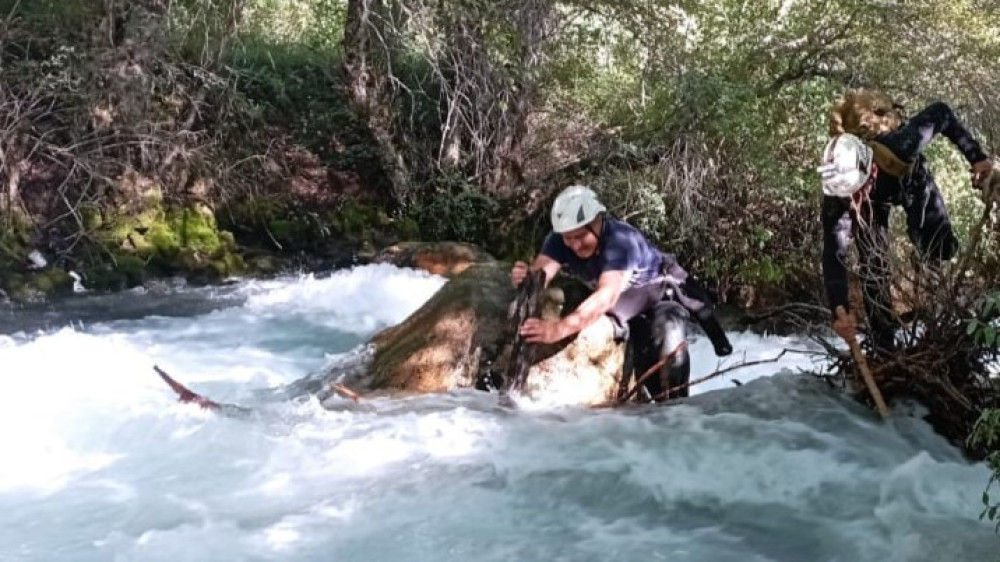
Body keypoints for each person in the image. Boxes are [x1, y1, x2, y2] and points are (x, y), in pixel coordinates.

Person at [510, 185, 733, 400]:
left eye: (580, 237)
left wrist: (558, 330)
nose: (575, 245)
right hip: (628, 307)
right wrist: (526, 277)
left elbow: (606, 296)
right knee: (644, 364)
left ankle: (677, 411)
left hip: (658, 298)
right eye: (569, 238)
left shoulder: (620, 242)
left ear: (597, 222)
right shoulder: (558, 240)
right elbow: (541, 273)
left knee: (669, 334)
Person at [819, 90, 995, 352]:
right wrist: (839, 311)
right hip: (875, 203)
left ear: (870, 170)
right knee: (873, 267)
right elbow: (834, 253)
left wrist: (977, 159)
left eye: (857, 190)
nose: (853, 198)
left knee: (938, 246)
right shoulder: (838, 193)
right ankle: (884, 345)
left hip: (909, 182)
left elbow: (941, 111)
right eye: (849, 196)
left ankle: (934, 293)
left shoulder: (901, 145)